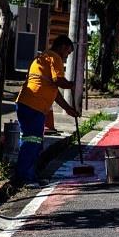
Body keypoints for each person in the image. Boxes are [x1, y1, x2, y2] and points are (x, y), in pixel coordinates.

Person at [14, 35, 79, 187]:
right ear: (63, 47)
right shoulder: (54, 57)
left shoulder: (43, 58)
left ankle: (30, 175)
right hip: (33, 106)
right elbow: (59, 81)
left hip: (28, 105)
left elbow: (54, 91)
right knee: (31, 142)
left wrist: (68, 109)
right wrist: (71, 84)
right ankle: (24, 178)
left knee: (33, 142)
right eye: (68, 53)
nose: (66, 57)